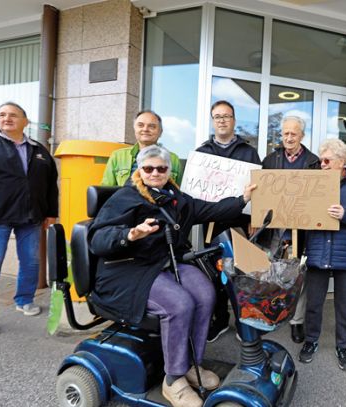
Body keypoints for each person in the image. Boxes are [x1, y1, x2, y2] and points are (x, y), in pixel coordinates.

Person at [89, 145, 256, 407]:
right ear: (139, 170)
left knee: (205, 293)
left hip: (164, 264)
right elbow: (98, 240)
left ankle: (190, 363)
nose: (155, 173)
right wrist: (130, 234)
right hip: (129, 270)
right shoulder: (125, 198)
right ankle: (173, 380)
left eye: (161, 168)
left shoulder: (176, 198)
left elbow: (210, 210)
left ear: (168, 171)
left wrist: (242, 199)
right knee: (179, 304)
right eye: (148, 168)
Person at [0, 102, 58, 339]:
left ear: (25, 121)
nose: (6, 118)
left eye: (13, 115)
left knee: (31, 261)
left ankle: (24, 300)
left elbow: (51, 185)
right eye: (2, 114)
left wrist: (51, 212)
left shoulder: (39, 150)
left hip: (31, 216)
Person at [298, 139, 346, 372]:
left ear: (342, 162)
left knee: (344, 305)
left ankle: (343, 345)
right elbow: (300, 212)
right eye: (321, 160)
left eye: (327, 160)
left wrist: (345, 213)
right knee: (314, 303)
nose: (321, 164)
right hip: (318, 250)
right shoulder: (312, 184)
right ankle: (311, 341)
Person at [196, 100, 262, 342]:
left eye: (226, 116)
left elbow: (258, 188)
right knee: (215, 274)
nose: (222, 120)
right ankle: (220, 320)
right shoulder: (203, 153)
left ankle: (244, 322)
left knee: (241, 275)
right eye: (217, 116)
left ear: (234, 120)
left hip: (239, 223)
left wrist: (255, 217)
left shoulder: (248, 152)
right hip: (212, 223)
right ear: (213, 121)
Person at [261, 115, 320, 344]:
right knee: (271, 272)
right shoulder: (270, 159)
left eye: (293, 134)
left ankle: (297, 321)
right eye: (285, 133)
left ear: (302, 136)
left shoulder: (313, 162)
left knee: (299, 276)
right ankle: (272, 313)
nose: (288, 137)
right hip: (275, 227)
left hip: (301, 227)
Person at [102, 110, 182, 186]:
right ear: (135, 129)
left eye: (152, 126)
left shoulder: (173, 159)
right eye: (140, 125)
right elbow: (106, 190)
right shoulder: (118, 156)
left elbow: (179, 192)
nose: (145, 129)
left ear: (160, 132)